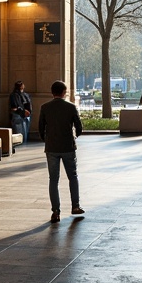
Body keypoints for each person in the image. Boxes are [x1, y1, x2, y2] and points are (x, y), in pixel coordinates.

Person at [38, 80, 84, 223]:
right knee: (73, 176)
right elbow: (79, 127)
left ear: (52, 92)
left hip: (51, 147)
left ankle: (56, 212)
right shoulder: (71, 107)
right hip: (68, 146)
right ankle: (75, 206)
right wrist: (74, 136)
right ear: (64, 92)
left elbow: (40, 128)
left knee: (53, 179)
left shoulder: (45, 107)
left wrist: (47, 139)